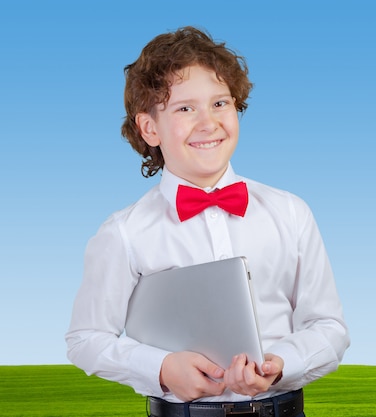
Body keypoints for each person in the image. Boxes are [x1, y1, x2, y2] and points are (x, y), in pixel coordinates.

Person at [66, 26, 350, 417]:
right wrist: (162, 368)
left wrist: (281, 362)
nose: (208, 122)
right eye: (184, 108)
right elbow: (85, 339)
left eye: (220, 103)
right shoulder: (124, 232)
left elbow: (329, 327)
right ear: (149, 128)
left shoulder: (291, 212)